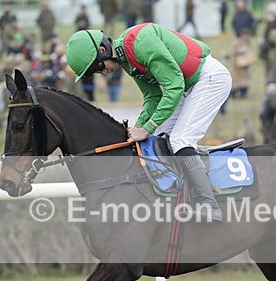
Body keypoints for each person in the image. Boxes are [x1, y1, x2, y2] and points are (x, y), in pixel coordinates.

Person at [65, 25, 232, 222]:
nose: (102, 73)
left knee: (179, 141)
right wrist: (136, 129)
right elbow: (153, 96)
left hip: (209, 80)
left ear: (103, 50)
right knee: (159, 139)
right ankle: (182, 191)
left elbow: (174, 86)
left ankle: (209, 205)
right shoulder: (125, 59)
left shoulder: (139, 44)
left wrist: (146, 127)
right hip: (188, 86)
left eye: (98, 67)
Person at [231, 29, 254, 98]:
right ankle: (234, 93)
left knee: (245, 79)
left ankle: (243, 93)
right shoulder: (237, 42)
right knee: (237, 80)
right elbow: (235, 51)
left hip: (245, 65)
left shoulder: (247, 43)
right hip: (238, 65)